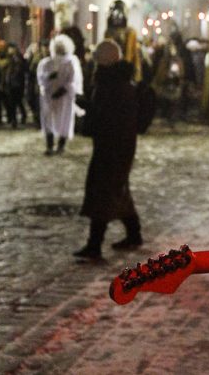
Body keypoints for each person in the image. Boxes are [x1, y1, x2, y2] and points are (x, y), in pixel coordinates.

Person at [74, 40, 143, 259]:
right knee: (119, 189)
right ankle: (134, 233)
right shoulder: (122, 82)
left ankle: (94, 244)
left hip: (111, 146)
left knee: (102, 192)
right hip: (119, 145)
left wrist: (86, 106)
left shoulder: (110, 84)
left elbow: (106, 117)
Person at [37, 33, 83, 155]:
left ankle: (60, 145)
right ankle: (50, 145)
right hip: (49, 97)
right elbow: (41, 78)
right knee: (49, 120)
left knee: (64, 120)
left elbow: (72, 81)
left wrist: (63, 90)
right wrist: (49, 77)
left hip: (64, 97)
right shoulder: (46, 62)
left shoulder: (70, 63)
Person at [3, 43, 28, 128]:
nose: (9, 50)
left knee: (16, 101)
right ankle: (15, 119)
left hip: (16, 84)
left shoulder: (18, 58)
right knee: (13, 102)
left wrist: (12, 78)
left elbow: (18, 71)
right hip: (12, 83)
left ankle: (18, 117)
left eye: (11, 48)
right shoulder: (10, 58)